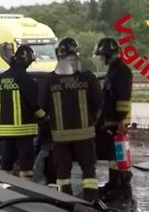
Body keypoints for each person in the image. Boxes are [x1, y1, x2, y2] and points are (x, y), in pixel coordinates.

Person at [40, 37, 103, 202]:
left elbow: (41, 107)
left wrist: (47, 125)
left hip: (60, 136)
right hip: (85, 134)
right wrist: (92, 122)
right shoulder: (87, 77)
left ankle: (66, 204)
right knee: (88, 170)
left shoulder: (50, 80)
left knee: (63, 172)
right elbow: (98, 103)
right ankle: (90, 202)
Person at [0, 45, 48, 180]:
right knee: (26, 166)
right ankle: (24, 189)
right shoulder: (26, 79)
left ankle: (4, 189)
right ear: (26, 59)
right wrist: (45, 118)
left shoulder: (0, 79)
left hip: (5, 132)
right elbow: (35, 104)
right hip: (24, 131)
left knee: (6, 166)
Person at [93, 37, 134, 209]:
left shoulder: (121, 71)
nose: (101, 59)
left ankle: (123, 187)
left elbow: (123, 97)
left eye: (102, 55)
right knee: (113, 154)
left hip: (118, 120)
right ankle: (114, 182)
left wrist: (121, 119)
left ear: (108, 54)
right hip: (112, 119)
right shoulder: (114, 70)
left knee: (118, 155)